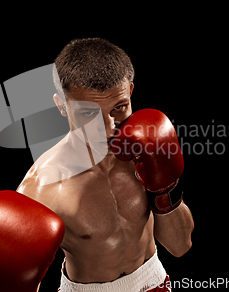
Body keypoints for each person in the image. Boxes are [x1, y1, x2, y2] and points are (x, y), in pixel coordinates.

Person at [17, 37, 194, 291]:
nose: (109, 128)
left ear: (130, 92)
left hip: (155, 281)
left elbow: (180, 246)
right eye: (88, 113)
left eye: (119, 108)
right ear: (62, 106)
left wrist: (164, 190)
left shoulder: (144, 149)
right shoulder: (41, 189)